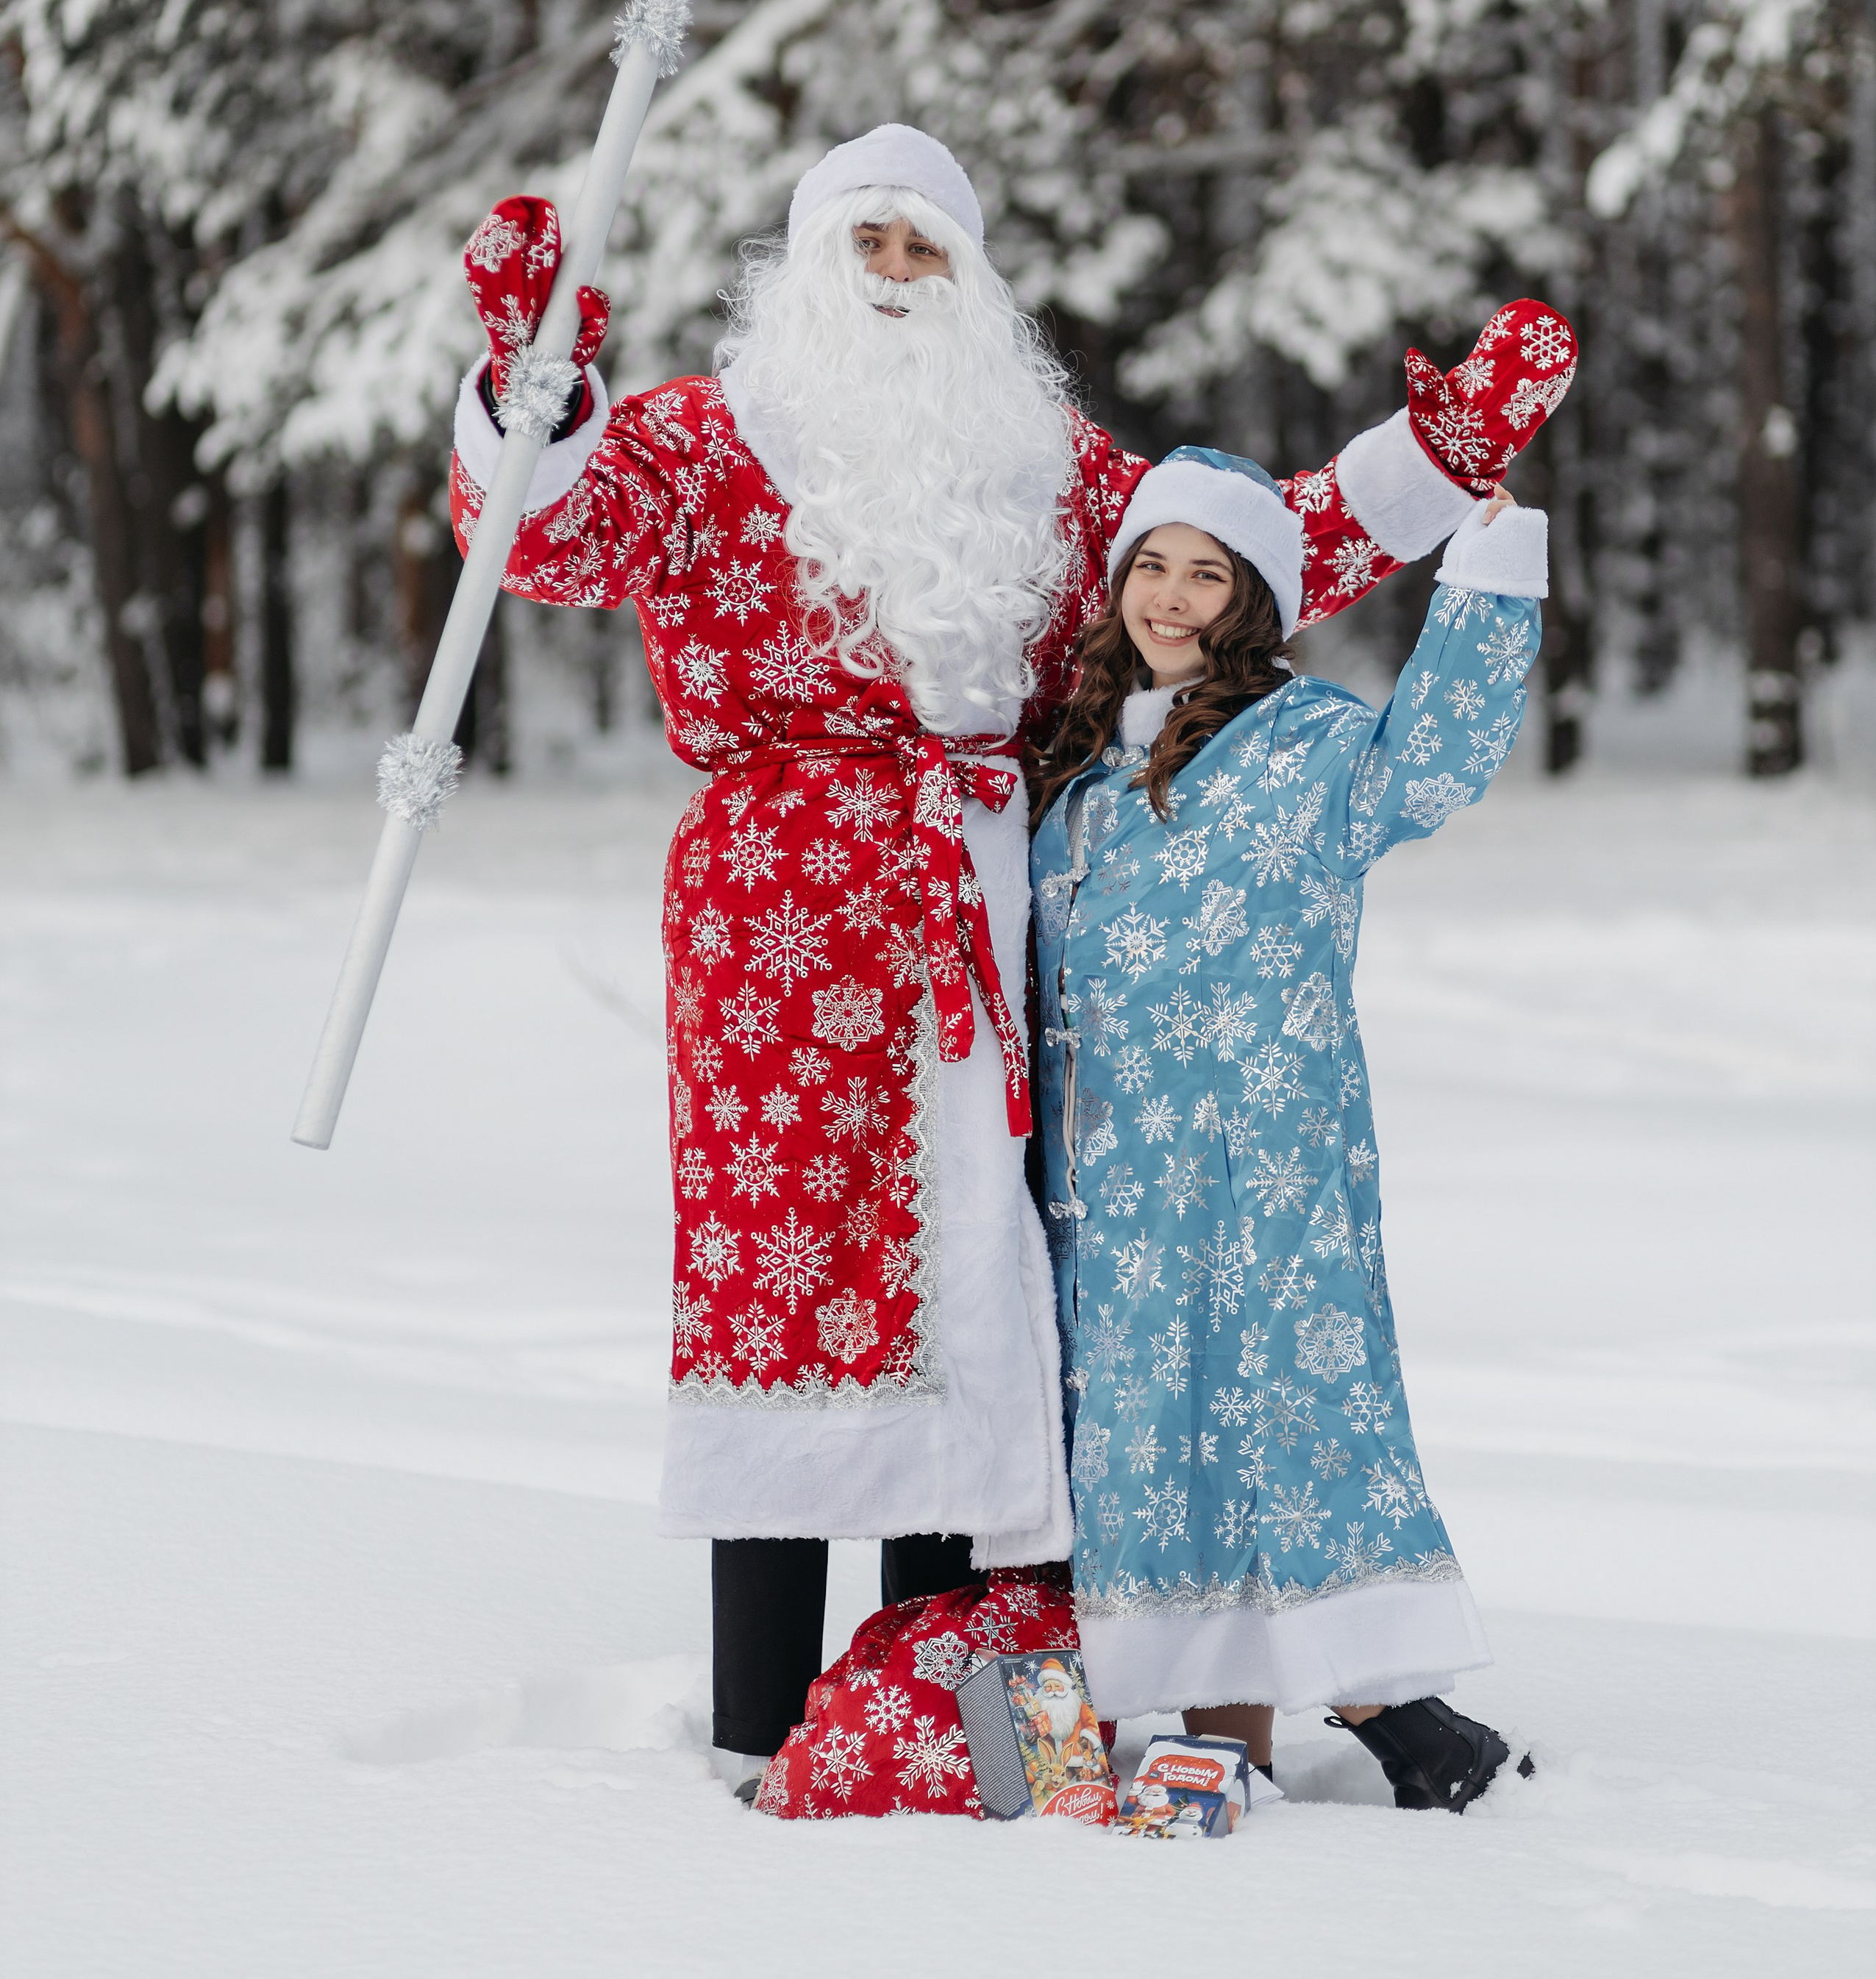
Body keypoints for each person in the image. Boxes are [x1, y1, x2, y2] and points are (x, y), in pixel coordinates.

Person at [449, 122, 1572, 1786]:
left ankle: (950, 1707)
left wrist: (1438, 460)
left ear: (973, 283)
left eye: (926, 251)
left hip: (1000, 893)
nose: (896, 279)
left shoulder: (1052, 470)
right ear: (804, 265)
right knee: (796, 1278)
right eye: (868, 245)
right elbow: (534, 544)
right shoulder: (697, 441)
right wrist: (527, 393)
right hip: (784, 907)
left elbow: (1258, 549)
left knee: (991, 1292)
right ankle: (765, 1719)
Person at [1030, 445, 1553, 1812]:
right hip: (1111, 1184)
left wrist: (1487, 572)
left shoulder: (1304, 742)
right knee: (1155, 1435)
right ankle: (1224, 1741)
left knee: (1293, 1416)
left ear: (1251, 598)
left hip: (1269, 1156)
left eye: (1209, 574)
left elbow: (1428, 769)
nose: (1172, 597)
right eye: (1153, 564)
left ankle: (1388, 1702)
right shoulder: (1074, 769)